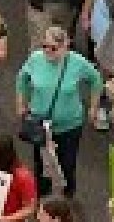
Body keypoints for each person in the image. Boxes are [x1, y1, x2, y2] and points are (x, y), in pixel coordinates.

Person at [15, 24, 102, 195]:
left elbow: (96, 79)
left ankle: (68, 193)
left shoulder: (77, 62)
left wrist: (93, 107)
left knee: (67, 163)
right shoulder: (35, 59)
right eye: (44, 46)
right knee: (41, 164)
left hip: (70, 125)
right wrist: (21, 103)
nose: (47, 51)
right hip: (39, 124)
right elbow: (22, 79)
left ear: (65, 47)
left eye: (53, 48)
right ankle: (43, 197)